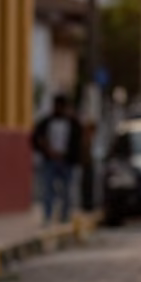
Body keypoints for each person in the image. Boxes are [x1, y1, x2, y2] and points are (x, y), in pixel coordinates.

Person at [32, 94, 82, 224]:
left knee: (67, 190)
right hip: (50, 160)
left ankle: (64, 216)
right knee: (48, 189)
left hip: (66, 161)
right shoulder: (46, 123)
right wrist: (47, 151)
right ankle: (47, 216)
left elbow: (78, 142)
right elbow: (36, 139)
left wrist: (69, 155)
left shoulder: (73, 124)